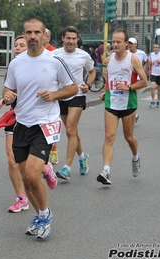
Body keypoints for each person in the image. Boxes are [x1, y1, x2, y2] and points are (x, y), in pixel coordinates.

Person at [3, 17, 78, 239]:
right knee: (26, 178)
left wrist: (54, 95)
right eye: (29, 33)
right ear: (24, 35)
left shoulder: (54, 61)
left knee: (32, 174)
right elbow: (8, 90)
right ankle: (39, 215)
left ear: (44, 35)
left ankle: (45, 215)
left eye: (37, 32)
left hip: (45, 124)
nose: (33, 36)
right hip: (21, 124)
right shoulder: (16, 63)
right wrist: (7, 96)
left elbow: (73, 87)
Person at [0, 35, 57, 213]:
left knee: (31, 165)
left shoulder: (44, 64)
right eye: (16, 45)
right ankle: (21, 197)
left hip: (38, 119)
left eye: (21, 45)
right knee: (11, 158)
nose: (18, 48)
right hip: (15, 117)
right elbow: (7, 90)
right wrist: (5, 98)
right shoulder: (14, 67)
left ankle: (45, 169)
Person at [97, 29, 147, 185]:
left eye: (119, 41)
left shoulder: (133, 60)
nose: (115, 44)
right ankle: (106, 171)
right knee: (109, 136)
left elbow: (144, 81)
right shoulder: (108, 60)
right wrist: (106, 91)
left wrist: (129, 87)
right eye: (113, 41)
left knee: (129, 138)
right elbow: (110, 78)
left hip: (128, 103)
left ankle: (135, 157)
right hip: (111, 103)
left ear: (126, 43)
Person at [52, 26, 96, 180]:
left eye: (74, 38)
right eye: (68, 38)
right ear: (63, 38)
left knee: (70, 130)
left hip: (77, 95)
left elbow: (92, 72)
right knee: (73, 131)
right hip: (61, 95)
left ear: (77, 40)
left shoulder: (83, 55)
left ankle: (66, 168)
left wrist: (88, 85)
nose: (71, 41)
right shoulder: (54, 54)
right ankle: (83, 156)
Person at [44, 28, 58, 164]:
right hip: (36, 94)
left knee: (51, 125)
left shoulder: (53, 52)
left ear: (47, 38)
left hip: (51, 94)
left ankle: (54, 151)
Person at [128, 37, 149, 125]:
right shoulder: (126, 53)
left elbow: (147, 62)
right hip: (128, 78)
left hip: (137, 79)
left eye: (132, 44)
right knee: (129, 96)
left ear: (136, 44)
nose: (130, 45)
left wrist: (143, 72)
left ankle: (134, 114)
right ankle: (134, 114)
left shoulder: (141, 53)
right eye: (129, 43)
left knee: (133, 95)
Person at [147, 44, 160, 108]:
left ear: (159, 48)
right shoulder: (151, 54)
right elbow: (149, 62)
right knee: (152, 87)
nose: (155, 48)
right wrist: (149, 62)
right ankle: (152, 101)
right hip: (153, 72)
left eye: (156, 47)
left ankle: (158, 101)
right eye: (154, 47)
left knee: (159, 88)